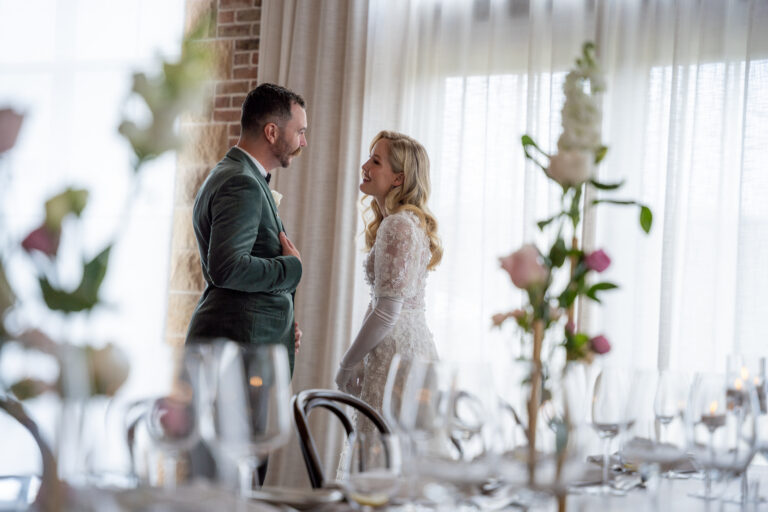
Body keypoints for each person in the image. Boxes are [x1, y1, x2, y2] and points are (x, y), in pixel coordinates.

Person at [185, 83, 306, 371]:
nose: (304, 142)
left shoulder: (234, 173)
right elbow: (227, 268)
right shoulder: (242, 183)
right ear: (272, 132)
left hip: (243, 345)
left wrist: (284, 327)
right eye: (299, 132)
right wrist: (291, 267)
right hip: (237, 354)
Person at [334, 130, 442, 428]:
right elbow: (381, 304)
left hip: (398, 354)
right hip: (405, 348)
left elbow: (386, 312)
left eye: (376, 161)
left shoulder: (398, 225)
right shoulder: (405, 223)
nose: (365, 166)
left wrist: (347, 362)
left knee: (383, 456)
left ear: (397, 178)